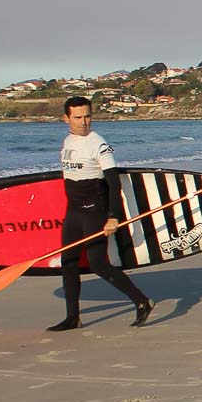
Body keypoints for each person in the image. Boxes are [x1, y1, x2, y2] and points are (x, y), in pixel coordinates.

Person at [49, 96, 151, 332]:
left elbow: (113, 183)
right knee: (69, 262)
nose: (84, 122)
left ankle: (142, 301)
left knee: (98, 264)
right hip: (73, 210)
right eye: (78, 117)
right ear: (66, 119)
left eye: (88, 116)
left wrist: (113, 216)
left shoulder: (99, 144)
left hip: (94, 210)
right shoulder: (68, 141)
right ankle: (73, 317)